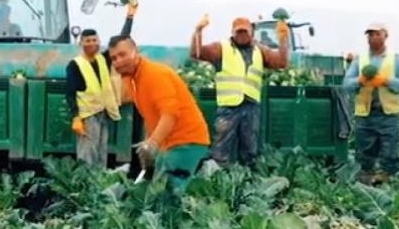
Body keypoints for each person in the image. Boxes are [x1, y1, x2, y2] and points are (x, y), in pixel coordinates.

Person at [108, 35, 210, 191]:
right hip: (169, 144)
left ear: (136, 52)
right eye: (114, 58)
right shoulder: (132, 80)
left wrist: (152, 143)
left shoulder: (154, 75)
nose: (118, 61)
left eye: (123, 55)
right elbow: (150, 116)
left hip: (185, 141)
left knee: (170, 196)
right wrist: (149, 143)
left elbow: (170, 114)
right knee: (159, 192)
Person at [190, 15, 289, 167]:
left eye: (245, 32)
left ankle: (247, 181)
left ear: (251, 33)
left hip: (250, 107)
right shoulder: (221, 48)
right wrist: (198, 31)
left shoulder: (260, 50)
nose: (242, 35)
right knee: (220, 151)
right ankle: (218, 181)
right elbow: (196, 54)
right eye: (239, 32)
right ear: (233, 33)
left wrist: (283, 40)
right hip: (228, 108)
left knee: (250, 151)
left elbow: (281, 62)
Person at [64, 0, 138, 166]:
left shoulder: (103, 59)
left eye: (94, 40)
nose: (91, 43)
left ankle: (98, 187)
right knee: (87, 155)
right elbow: (70, 92)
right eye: (87, 41)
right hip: (88, 115)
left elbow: (122, 38)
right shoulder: (75, 64)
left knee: (101, 154)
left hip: (104, 112)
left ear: (98, 42)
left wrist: (130, 15)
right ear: (81, 43)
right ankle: (84, 189)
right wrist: (76, 117)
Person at [343, 23, 399, 184]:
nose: (373, 38)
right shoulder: (360, 60)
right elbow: (346, 84)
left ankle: (387, 184)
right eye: (370, 35)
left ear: (385, 36)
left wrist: (386, 81)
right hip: (365, 114)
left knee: (390, 152)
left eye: (377, 34)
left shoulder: (396, 59)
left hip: (388, 114)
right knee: (364, 153)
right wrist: (359, 81)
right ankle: (365, 185)